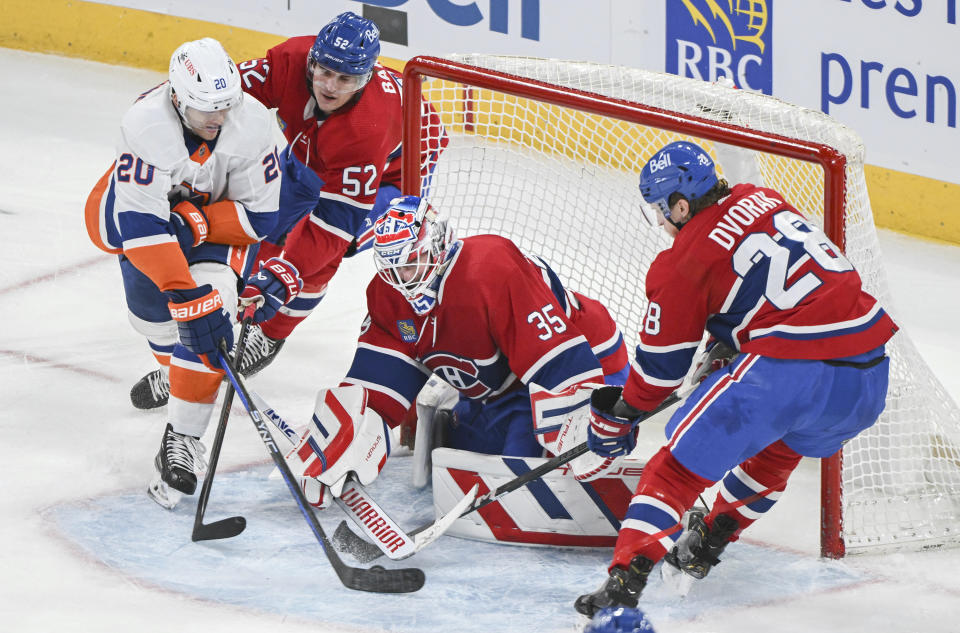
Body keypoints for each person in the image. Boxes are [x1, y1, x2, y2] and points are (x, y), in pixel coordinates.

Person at [574, 141, 898, 616]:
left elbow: (658, 374)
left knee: (676, 469)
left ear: (681, 206)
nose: (661, 224)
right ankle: (708, 542)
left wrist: (622, 412)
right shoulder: (761, 197)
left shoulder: (681, 262)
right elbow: (763, 289)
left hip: (788, 372)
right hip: (868, 374)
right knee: (779, 450)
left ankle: (625, 584)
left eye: (661, 212)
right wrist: (730, 339)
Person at [281, 195, 631, 504]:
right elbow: (379, 384)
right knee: (461, 464)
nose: (402, 279)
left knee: (517, 473)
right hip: (496, 386)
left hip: (584, 360)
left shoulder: (490, 269)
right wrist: (347, 434)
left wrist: (585, 416)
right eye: (392, 269)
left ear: (436, 246)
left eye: (410, 262)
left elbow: (558, 360)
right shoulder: (388, 295)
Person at [84, 38, 281, 508]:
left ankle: (183, 438)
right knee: (154, 317)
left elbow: (261, 218)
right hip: (147, 219)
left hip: (219, 223)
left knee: (211, 316)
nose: (218, 118)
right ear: (177, 98)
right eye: (204, 108)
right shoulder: (145, 125)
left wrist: (198, 222)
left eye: (225, 104)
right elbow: (141, 227)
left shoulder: (253, 124)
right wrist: (182, 295)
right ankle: (178, 374)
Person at [229, 11, 448, 379]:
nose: (330, 86)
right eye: (325, 72)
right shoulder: (288, 62)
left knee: (325, 255)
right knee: (264, 217)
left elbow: (331, 227)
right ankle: (246, 296)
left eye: (346, 79)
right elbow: (218, 92)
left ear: (366, 78)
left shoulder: (367, 126)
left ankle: (269, 336)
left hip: (389, 177)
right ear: (312, 60)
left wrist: (287, 271)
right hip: (311, 157)